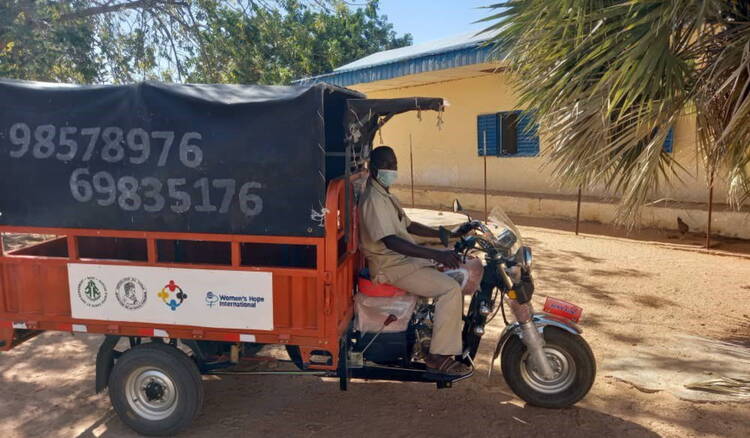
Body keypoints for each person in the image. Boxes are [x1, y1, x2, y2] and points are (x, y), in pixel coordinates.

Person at [358, 145, 480, 377]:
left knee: (452, 265)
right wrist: (437, 254)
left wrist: (447, 235)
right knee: (450, 289)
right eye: (388, 165)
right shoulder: (373, 199)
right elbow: (391, 241)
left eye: (395, 165)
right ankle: (438, 356)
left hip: (402, 259)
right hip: (392, 265)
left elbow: (409, 225)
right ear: (374, 168)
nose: (393, 169)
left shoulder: (384, 193)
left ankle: (428, 333)